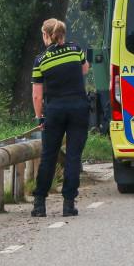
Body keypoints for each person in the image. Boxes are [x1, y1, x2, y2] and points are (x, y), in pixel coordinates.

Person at [31, 18, 90, 217]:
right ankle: (68, 204)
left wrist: (39, 117)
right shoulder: (75, 49)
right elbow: (85, 69)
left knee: (48, 156)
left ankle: (39, 204)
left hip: (54, 110)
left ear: (46, 35)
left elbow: (37, 95)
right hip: (79, 108)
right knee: (73, 156)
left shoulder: (41, 60)